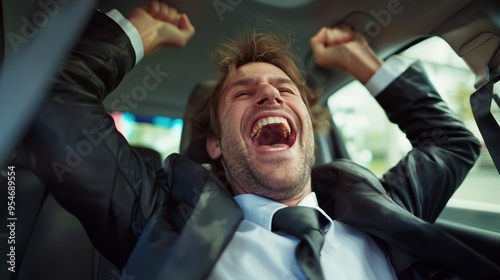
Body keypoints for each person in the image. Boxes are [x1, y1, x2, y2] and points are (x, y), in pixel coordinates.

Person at [19, 1, 499, 279]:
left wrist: (362, 60)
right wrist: (141, 31)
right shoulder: (159, 217)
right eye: (243, 93)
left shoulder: (384, 207)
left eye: (285, 89)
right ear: (216, 146)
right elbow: (51, 99)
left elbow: (452, 142)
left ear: (308, 131)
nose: (270, 93)